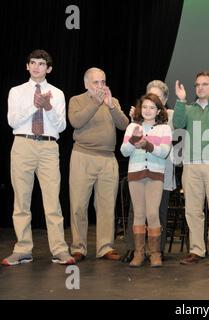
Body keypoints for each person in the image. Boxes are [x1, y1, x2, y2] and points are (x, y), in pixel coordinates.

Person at [3, 49, 75, 266]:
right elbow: (12, 121)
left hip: (48, 147)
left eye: (41, 64)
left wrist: (48, 107)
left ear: (49, 69)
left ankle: (60, 249)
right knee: (21, 201)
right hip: (22, 144)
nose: (36, 67)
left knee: (53, 200)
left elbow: (62, 126)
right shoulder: (16, 92)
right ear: (27, 66)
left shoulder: (58, 93)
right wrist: (34, 105)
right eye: (32, 63)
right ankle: (23, 248)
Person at [68, 67, 129, 262]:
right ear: (86, 84)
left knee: (106, 205)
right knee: (78, 204)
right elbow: (76, 121)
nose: (101, 86)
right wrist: (96, 102)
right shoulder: (77, 100)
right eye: (96, 82)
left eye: (103, 82)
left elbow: (124, 125)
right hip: (82, 156)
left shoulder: (113, 101)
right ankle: (79, 247)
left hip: (108, 159)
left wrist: (111, 105)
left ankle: (105, 247)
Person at [173, 71, 209, 267]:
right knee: (193, 210)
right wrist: (180, 101)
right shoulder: (187, 109)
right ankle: (196, 249)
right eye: (198, 85)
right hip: (191, 164)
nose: (200, 88)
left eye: (205, 84)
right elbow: (177, 125)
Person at [122, 80, 176, 263]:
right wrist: (132, 141)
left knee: (152, 213)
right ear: (140, 109)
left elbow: (163, 152)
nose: (147, 110)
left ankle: (155, 254)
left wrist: (147, 145)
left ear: (159, 110)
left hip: (155, 176)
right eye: (144, 107)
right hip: (135, 174)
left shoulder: (164, 129)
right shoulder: (132, 127)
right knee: (138, 213)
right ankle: (138, 253)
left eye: (152, 107)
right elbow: (124, 151)